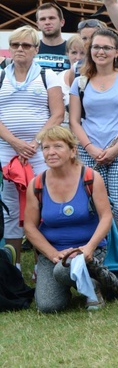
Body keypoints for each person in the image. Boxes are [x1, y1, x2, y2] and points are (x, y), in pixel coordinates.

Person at [68, 27, 118, 285]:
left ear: (116, 52)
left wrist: (114, 149)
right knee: (92, 208)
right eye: (96, 47)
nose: (100, 51)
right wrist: (89, 148)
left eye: (106, 48)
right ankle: (97, 259)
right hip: (89, 152)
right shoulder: (80, 81)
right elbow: (74, 121)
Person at [23, 126, 118, 312]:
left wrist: (88, 249)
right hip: (52, 252)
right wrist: (53, 254)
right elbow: (29, 227)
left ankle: (99, 282)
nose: (50, 152)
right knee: (48, 306)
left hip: (88, 249)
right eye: (45, 147)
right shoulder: (36, 184)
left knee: (63, 270)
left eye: (58, 146)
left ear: (72, 151)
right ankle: (82, 283)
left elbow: (106, 216)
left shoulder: (91, 178)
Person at [0, 26, 64, 265]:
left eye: (26, 45)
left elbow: (58, 114)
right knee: (11, 209)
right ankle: (13, 265)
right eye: (15, 44)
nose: (20, 49)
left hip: (41, 153)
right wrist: (16, 143)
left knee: (43, 205)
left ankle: (43, 263)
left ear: (36, 49)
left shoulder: (49, 76)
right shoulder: (0, 76)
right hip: (7, 151)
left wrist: (35, 143)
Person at [35, 3, 70, 73]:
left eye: (51, 18)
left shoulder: (72, 49)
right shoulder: (30, 49)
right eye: (42, 19)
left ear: (62, 22)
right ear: (38, 24)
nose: (47, 22)